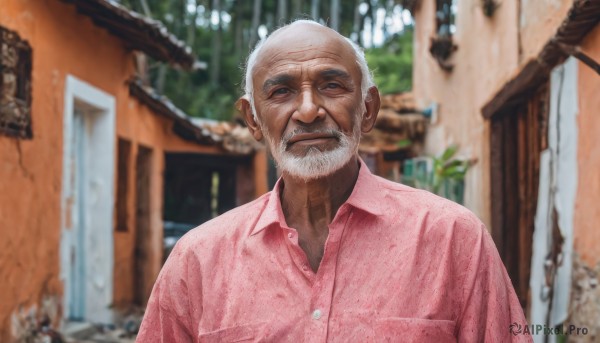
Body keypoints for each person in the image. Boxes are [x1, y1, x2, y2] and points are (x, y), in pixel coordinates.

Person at [137, 20, 530, 342]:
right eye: (281, 91)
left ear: (368, 109)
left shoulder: (453, 239)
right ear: (253, 119)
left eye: (332, 85)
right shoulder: (198, 259)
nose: (308, 111)